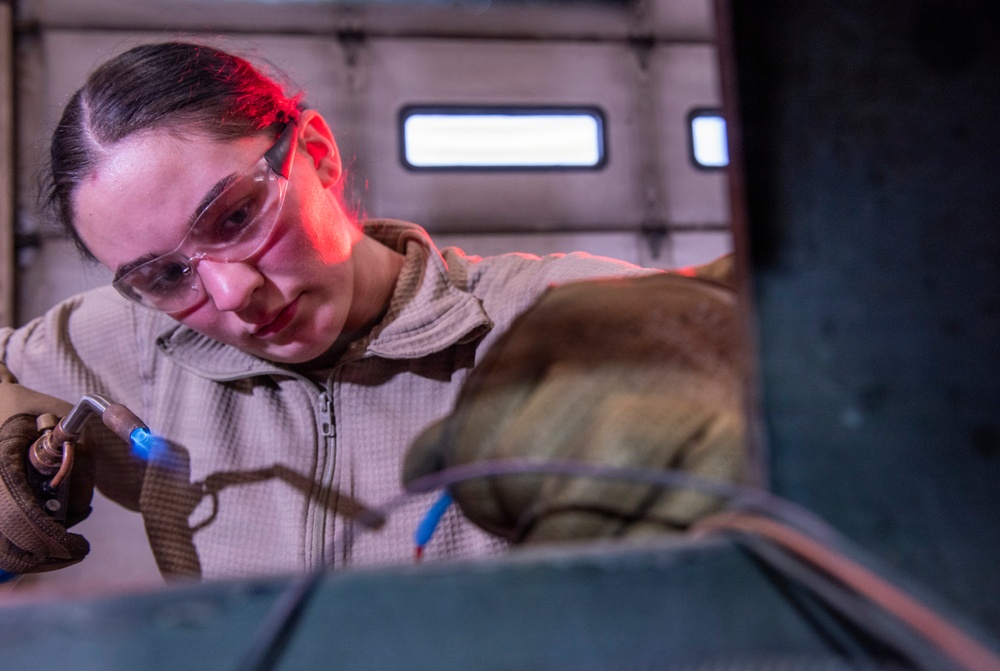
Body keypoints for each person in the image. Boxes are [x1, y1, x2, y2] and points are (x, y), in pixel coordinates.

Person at [0, 41, 745, 584]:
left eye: (233, 218)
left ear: (317, 153)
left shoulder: (547, 318)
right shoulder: (136, 341)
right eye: (162, 274)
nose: (230, 295)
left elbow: (781, 355)